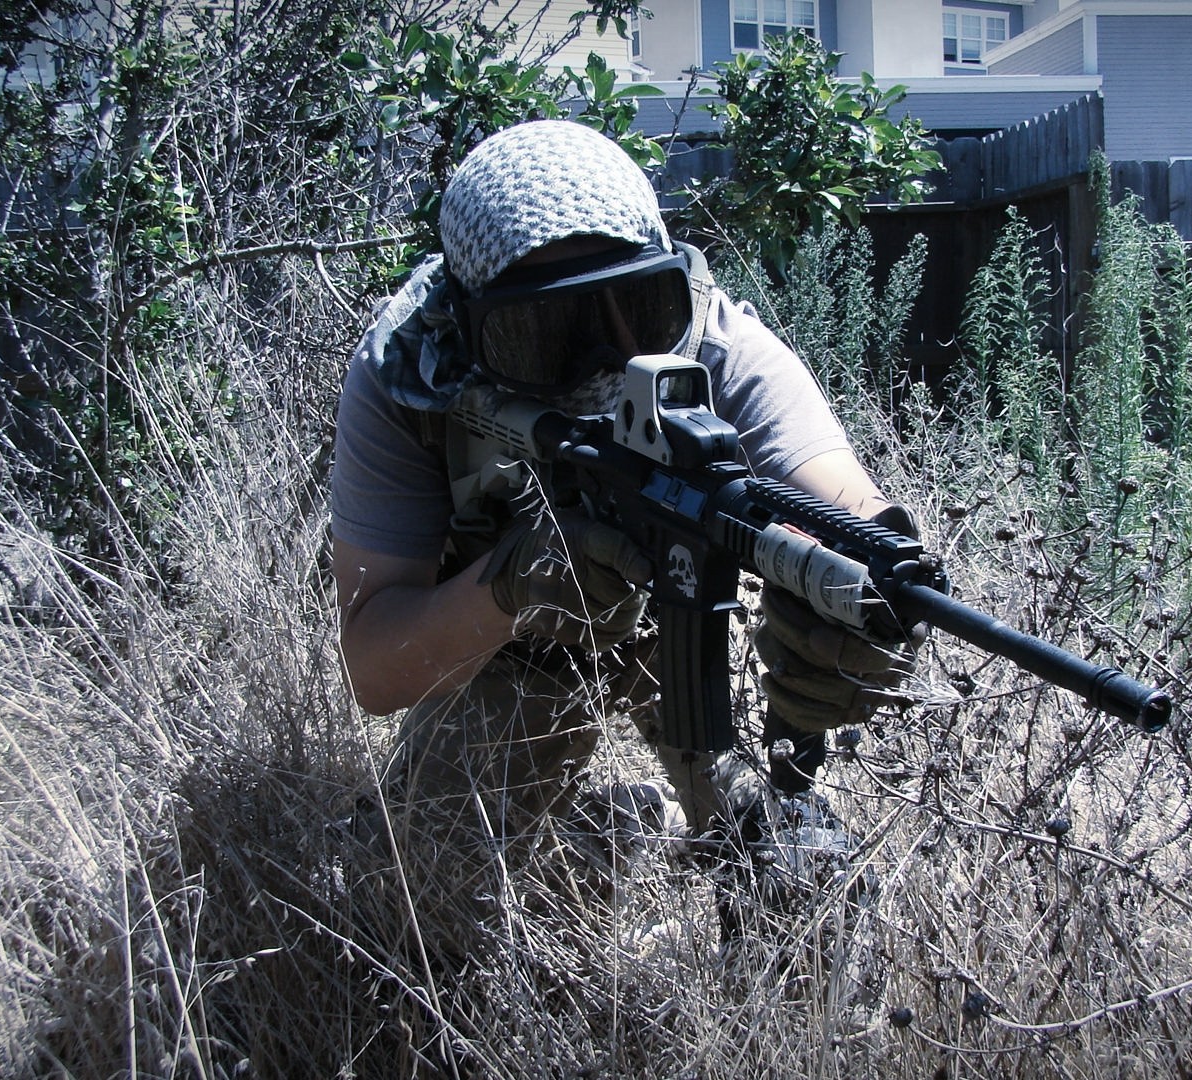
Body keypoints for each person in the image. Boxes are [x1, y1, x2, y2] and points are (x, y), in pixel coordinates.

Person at [328, 119, 916, 944]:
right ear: (475, 328)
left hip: (685, 623)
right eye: (548, 334)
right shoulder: (412, 375)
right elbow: (377, 666)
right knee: (413, 911)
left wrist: (857, 593)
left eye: (641, 309)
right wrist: (515, 583)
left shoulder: (712, 338)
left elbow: (840, 499)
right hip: (505, 648)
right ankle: (603, 838)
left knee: (796, 871)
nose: (612, 356)